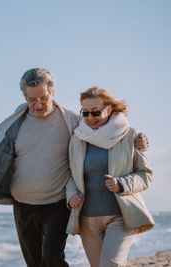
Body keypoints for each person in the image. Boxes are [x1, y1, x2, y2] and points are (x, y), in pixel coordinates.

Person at [0, 68, 148, 267]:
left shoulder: (71, 122)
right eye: (31, 99)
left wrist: (137, 139)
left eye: (43, 97)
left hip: (57, 203)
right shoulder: (14, 125)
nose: (38, 104)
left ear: (52, 92)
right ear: (24, 96)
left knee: (52, 258)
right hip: (23, 205)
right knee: (34, 263)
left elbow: (104, 127)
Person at [66, 87, 154, 267]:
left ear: (109, 109)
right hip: (87, 219)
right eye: (85, 113)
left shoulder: (130, 135)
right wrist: (71, 196)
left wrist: (121, 184)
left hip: (121, 215)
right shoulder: (77, 138)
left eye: (96, 112)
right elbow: (70, 176)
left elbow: (146, 175)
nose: (90, 118)